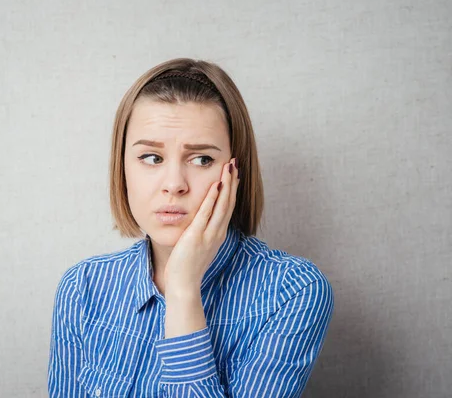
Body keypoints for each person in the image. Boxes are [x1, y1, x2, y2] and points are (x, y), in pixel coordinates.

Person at [48, 58, 334, 397]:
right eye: (151, 158)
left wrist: (183, 289)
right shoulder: (83, 289)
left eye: (202, 159)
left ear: (234, 172)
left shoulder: (292, 292)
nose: (174, 184)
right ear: (122, 168)